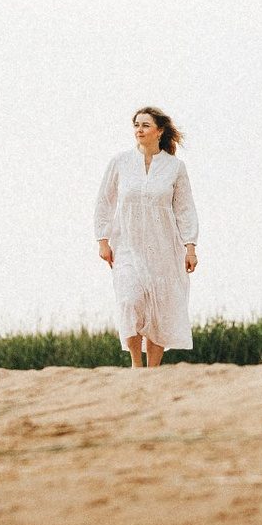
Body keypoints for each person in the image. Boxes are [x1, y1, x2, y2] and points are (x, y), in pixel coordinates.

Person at [94, 108, 199, 368]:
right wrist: (102, 240)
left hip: (165, 247)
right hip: (127, 245)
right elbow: (105, 201)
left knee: (159, 307)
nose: (139, 130)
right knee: (130, 300)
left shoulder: (175, 167)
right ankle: (135, 363)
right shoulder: (120, 162)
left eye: (145, 125)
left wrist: (190, 246)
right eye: (136, 125)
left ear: (159, 131)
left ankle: (153, 370)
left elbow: (184, 209)